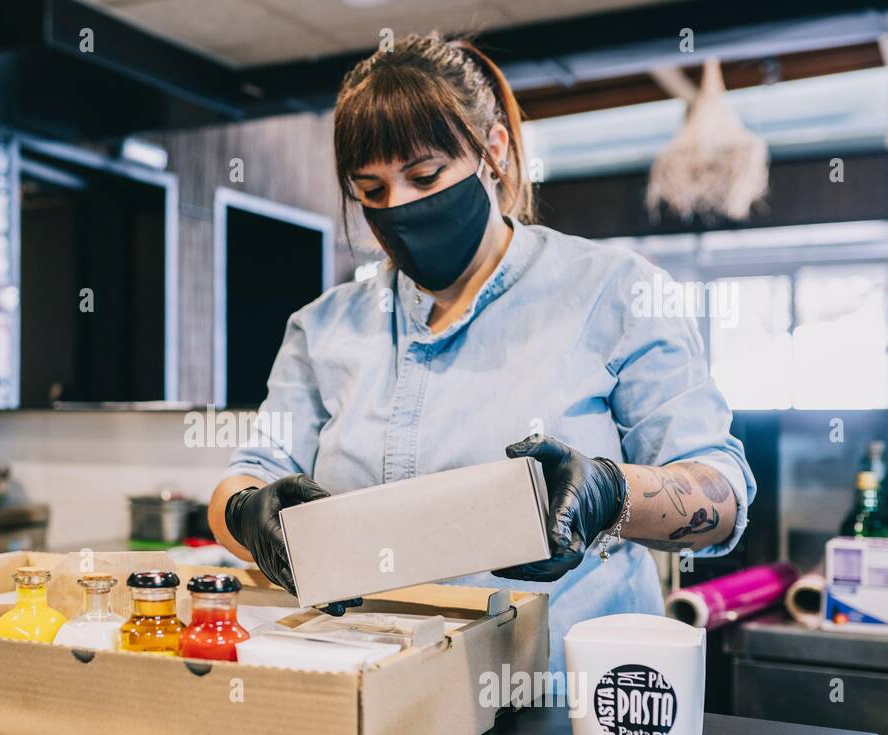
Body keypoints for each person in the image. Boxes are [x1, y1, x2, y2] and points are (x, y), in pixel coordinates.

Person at [207, 34, 756, 671]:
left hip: (570, 702)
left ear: (491, 151)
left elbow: (720, 496)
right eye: (372, 190)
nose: (400, 208)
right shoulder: (323, 328)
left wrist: (611, 492)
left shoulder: (614, 292)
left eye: (424, 176)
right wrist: (248, 513)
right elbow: (245, 475)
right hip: (384, 697)